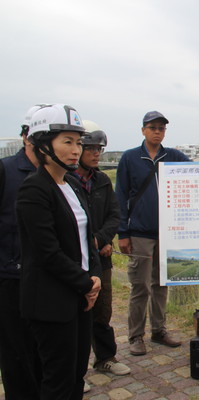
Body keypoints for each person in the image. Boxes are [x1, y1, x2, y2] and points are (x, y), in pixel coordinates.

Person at [16, 104, 102, 399]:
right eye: (67, 141)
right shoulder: (33, 190)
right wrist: (86, 283)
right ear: (43, 145)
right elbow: (47, 252)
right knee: (58, 379)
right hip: (51, 301)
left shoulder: (72, 185)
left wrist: (95, 277)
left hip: (79, 298)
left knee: (77, 374)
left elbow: (86, 240)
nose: (76, 149)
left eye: (78, 142)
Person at [115, 111, 190, 355]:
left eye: (162, 128)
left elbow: (197, 172)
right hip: (140, 233)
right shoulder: (130, 158)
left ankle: (159, 330)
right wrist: (122, 232)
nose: (158, 131)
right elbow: (121, 195)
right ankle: (136, 335)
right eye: (153, 127)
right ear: (143, 130)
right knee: (140, 286)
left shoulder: (173, 156)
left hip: (167, 233)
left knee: (161, 284)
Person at [69, 120, 130, 376]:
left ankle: (106, 357)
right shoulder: (66, 181)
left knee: (102, 310)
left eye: (99, 149)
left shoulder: (103, 180)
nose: (96, 153)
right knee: (75, 313)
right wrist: (89, 242)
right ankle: (74, 370)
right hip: (74, 259)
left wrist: (101, 240)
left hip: (101, 258)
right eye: (91, 148)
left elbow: (114, 215)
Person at [0, 105, 45, 399]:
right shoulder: (5, 170)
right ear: (26, 137)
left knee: (44, 349)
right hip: (10, 276)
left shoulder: (59, 175)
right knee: (15, 352)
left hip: (46, 279)